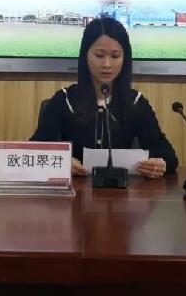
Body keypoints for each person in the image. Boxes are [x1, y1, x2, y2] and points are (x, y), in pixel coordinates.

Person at [30, 17, 178, 178]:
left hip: (121, 191)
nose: (107, 64)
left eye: (115, 56)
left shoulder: (135, 103)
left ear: (125, 59)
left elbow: (168, 155)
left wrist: (160, 163)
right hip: (76, 191)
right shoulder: (64, 101)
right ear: (85, 56)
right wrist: (61, 162)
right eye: (99, 55)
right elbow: (33, 151)